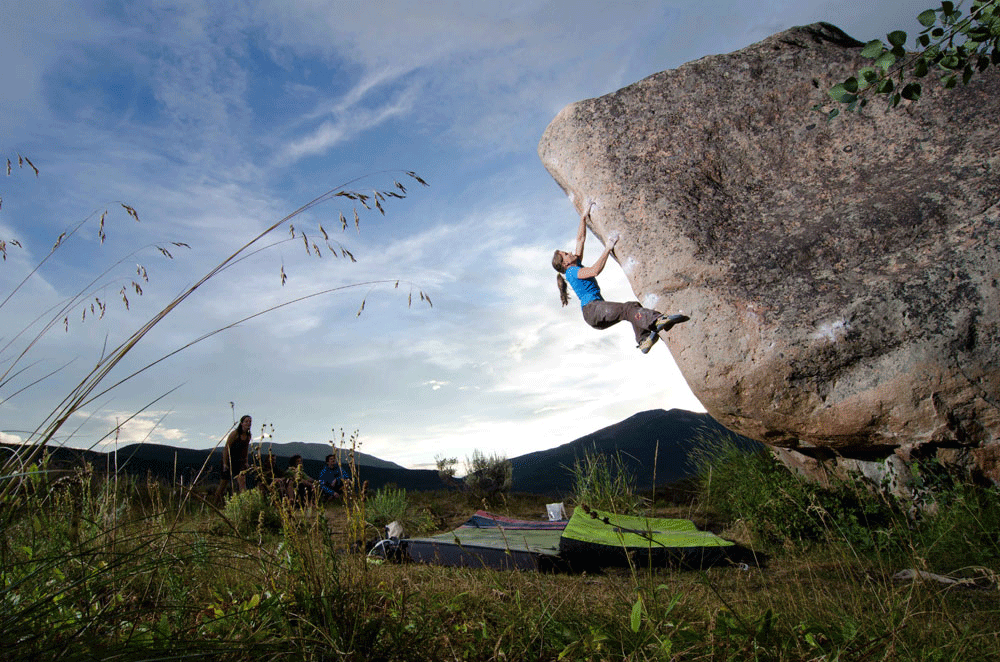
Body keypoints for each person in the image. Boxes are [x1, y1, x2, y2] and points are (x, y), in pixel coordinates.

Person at [552, 203, 689, 353]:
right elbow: (594, 271)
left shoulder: (575, 264)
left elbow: (580, 239)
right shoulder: (571, 272)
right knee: (627, 309)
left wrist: (583, 217)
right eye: (566, 254)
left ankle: (643, 340)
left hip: (595, 312)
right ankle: (657, 320)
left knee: (632, 306)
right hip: (593, 310)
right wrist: (607, 249)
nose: (570, 252)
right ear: (565, 264)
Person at [214, 414, 252, 503]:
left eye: (250, 421)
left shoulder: (248, 435)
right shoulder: (235, 433)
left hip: (239, 461)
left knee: (242, 481)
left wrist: (246, 461)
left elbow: (245, 449)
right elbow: (226, 448)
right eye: (246, 421)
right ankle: (215, 503)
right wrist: (225, 463)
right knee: (223, 484)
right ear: (242, 423)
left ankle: (245, 504)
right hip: (229, 459)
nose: (248, 423)